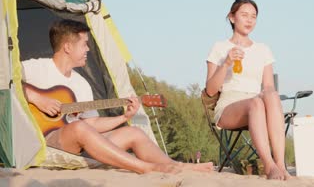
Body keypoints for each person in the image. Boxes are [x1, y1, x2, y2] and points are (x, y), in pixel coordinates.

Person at [22, 19, 213, 174]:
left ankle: (178, 166)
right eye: (84, 44)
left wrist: (124, 117)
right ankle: (145, 167)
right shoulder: (35, 68)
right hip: (43, 140)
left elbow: (93, 124)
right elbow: (4, 80)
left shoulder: (80, 83)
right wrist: (37, 98)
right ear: (67, 47)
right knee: (79, 127)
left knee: (134, 132)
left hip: (76, 143)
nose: (88, 49)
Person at [205, 0, 289, 180]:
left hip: (257, 100)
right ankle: (269, 165)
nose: (249, 20)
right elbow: (211, 90)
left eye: (254, 16)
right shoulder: (220, 47)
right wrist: (226, 63)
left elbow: (268, 86)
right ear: (232, 17)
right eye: (244, 15)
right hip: (229, 106)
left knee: (271, 95)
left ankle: (280, 165)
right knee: (256, 104)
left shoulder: (263, 49)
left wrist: (266, 95)